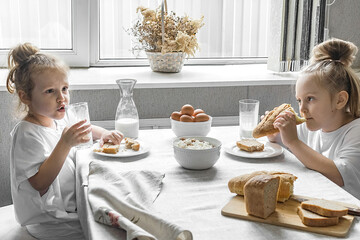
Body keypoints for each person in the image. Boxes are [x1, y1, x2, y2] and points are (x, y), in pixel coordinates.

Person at [6, 43, 124, 239]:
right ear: (25, 97)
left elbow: (85, 129)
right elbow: (39, 183)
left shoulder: (58, 116)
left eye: (64, 88)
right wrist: (65, 144)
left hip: (70, 208)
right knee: (107, 232)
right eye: (50, 91)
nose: (62, 98)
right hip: (47, 221)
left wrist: (103, 134)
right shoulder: (27, 133)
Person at [268, 38, 360, 200]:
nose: (302, 109)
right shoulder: (313, 124)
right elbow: (300, 151)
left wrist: (293, 142)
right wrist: (278, 135)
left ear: (340, 100)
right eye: (299, 100)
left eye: (310, 99)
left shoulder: (356, 131)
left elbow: (340, 175)